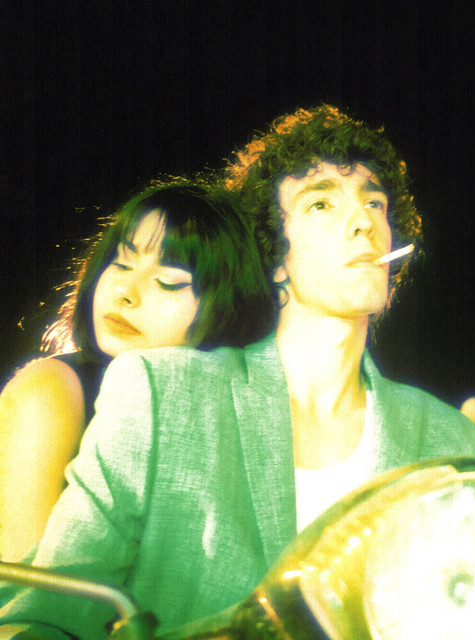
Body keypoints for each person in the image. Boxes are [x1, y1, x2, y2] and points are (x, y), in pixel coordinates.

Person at [0, 105, 475, 639]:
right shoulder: (159, 394)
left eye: (374, 202)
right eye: (322, 203)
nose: (364, 222)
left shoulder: (454, 443)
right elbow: (48, 615)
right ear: (274, 256)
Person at [0, 181, 274, 563]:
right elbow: (23, 586)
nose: (125, 292)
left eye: (167, 282)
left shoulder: (231, 415)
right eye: (122, 263)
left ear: (226, 309)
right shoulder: (51, 389)